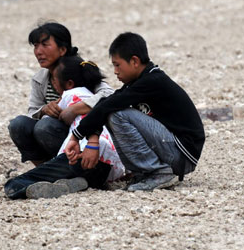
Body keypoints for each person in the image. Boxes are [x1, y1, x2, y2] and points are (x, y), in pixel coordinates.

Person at [65, 32, 205, 192]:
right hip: (172, 149)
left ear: (134, 61)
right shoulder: (140, 80)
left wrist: (76, 136)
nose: (115, 71)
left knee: (117, 114)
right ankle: (146, 172)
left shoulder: (152, 81)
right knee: (113, 110)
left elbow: (110, 106)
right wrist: (93, 138)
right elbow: (106, 102)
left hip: (181, 153)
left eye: (117, 65)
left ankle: (158, 172)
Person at [5, 55, 123, 199]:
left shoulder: (69, 95)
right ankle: (77, 183)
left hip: (83, 155)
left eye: (54, 80)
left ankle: (23, 187)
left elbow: (44, 121)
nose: (52, 83)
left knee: (16, 183)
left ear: (69, 84)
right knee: (70, 172)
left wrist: (48, 109)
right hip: (110, 167)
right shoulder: (95, 97)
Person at [8, 22, 114, 167]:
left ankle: (73, 167)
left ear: (62, 49)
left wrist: (75, 109)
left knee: (44, 126)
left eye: (45, 45)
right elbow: (33, 110)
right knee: (18, 125)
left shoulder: (78, 70)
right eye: (36, 46)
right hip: (54, 133)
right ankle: (44, 168)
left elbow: (110, 95)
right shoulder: (40, 79)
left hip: (86, 136)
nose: (38, 51)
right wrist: (45, 109)